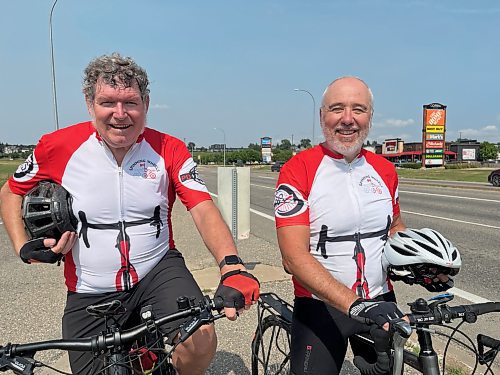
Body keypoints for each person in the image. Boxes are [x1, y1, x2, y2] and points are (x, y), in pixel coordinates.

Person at [0, 52, 259, 375]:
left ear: (146, 104)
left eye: (131, 103)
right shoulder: (58, 146)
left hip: (157, 269)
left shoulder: (169, 148)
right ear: (89, 103)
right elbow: (11, 191)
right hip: (90, 287)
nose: (120, 114)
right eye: (108, 102)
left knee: (201, 337)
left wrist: (231, 265)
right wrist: (23, 245)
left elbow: (203, 208)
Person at [273, 76, 407, 375]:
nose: (348, 119)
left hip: (380, 299)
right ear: (322, 116)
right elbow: (293, 257)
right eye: (337, 109)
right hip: (320, 306)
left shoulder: (385, 170)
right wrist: (355, 305)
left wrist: (417, 261)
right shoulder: (298, 169)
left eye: (358, 109)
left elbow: (395, 226)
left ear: (370, 117)